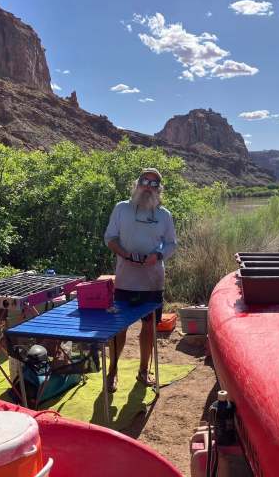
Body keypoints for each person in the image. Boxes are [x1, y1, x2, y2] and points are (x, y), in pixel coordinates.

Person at [104, 168, 177, 392]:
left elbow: (172, 243)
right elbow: (110, 238)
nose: (149, 186)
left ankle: (144, 371)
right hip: (125, 281)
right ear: (137, 184)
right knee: (119, 327)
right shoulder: (121, 209)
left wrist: (159, 255)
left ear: (159, 189)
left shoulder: (164, 215)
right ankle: (113, 372)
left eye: (154, 184)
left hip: (153, 282)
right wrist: (125, 254)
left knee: (149, 328)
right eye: (145, 181)